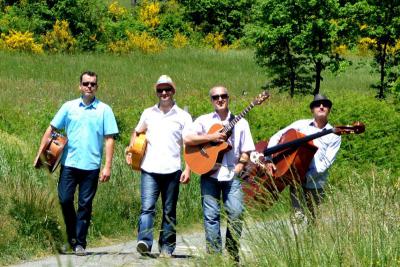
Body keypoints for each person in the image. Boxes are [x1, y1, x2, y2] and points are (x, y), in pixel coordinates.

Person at [34, 71, 119, 256]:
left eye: (93, 84)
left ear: (97, 87)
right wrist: (40, 154)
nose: (89, 86)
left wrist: (107, 166)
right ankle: (72, 237)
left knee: (85, 205)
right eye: (86, 83)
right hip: (69, 164)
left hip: (92, 166)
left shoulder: (105, 110)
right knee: (64, 200)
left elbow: (110, 139)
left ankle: (79, 243)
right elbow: (51, 129)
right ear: (79, 86)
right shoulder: (69, 107)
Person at [183, 86, 255, 263]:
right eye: (216, 97)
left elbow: (247, 151)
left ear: (228, 98)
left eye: (223, 96)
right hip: (209, 174)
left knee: (236, 214)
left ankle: (232, 251)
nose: (220, 99)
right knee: (211, 216)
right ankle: (215, 257)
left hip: (232, 175)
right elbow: (187, 139)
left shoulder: (241, 123)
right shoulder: (204, 120)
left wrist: (239, 167)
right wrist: (211, 138)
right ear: (211, 100)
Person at [125, 75, 192, 258]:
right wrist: (132, 150)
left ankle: (167, 248)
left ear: (173, 91)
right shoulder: (148, 113)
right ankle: (145, 242)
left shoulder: (183, 116)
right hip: (149, 169)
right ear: (156, 92)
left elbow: (188, 145)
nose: (164, 93)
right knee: (147, 207)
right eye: (160, 90)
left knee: (169, 210)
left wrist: (188, 168)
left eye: (167, 89)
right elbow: (137, 132)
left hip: (172, 170)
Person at [266, 94, 341, 222]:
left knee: (315, 220)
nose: (321, 107)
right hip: (295, 179)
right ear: (312, 110)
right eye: (317, 104)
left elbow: (327, 163)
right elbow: (276, 136)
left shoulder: (335, 134)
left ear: (329, 109)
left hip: (316, 182)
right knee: (297, 219)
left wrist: (305, 177)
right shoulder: (301, 124)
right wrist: (269, 158)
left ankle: (314, 242)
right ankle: (296, 242)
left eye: (325, 105)